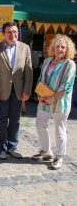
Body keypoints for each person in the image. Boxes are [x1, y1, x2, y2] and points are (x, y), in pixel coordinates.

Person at [32, 34, 76, 170]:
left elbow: (66, 85)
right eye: (57, 46)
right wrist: (39, 95)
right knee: (40, 124)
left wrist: (53, 98)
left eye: (63, 47)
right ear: (53, 48)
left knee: (59, 129)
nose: (60, 49)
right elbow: (40, 79)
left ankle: (59, 156)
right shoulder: (47, 61)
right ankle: (46, 151)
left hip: (60, 102)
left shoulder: (70, 64)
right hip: (44, 100)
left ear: (67, 49)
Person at [0, 21, 32, 160]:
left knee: (15, 120)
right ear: (4, 34)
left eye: (15, 31)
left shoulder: (25, 48)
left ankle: (12, 146)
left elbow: (28, 71)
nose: (12, 34)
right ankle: (2, 146)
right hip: (2, 90)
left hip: (19, 91)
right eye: (9, 32)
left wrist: (27, 90)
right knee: (1, 120)